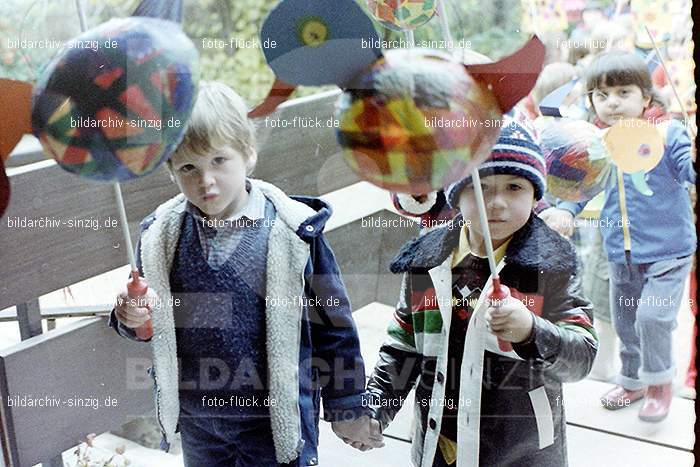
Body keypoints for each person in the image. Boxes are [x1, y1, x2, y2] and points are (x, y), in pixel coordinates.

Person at [108, 81, 382, 466]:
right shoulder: (162, 239)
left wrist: (347, 405)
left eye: (219, 160)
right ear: (170, 170)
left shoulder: (293, 233)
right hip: (201, 424)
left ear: (248, 153)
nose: (206, 181)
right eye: (189, 167)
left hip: (272, 423)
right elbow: (154, 322)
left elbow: (332, 325)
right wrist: (134, 317)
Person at [362, 116, 598, 466]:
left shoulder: (553, 263)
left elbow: (581, 356)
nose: (497, 202)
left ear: (536, 194)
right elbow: (403, 346)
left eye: (514, 187)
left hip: (522, 449)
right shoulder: (427, 259)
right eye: (480, 186)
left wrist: (532, 331)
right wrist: (375, 409)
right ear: (456, 194)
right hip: (440, 440)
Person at [540, 51, 695, 422]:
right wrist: (564, 210)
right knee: (626, 321)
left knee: (653, 318)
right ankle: (632, 381)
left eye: (623, 92)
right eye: (602, 95)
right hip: (620, 252)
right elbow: (581, 188)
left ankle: (659, 384)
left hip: (668, 251)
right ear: (592, 101)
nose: (612, 102)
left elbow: (691, 173)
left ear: (646, 96)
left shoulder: (669, 132)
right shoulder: (597, 142)